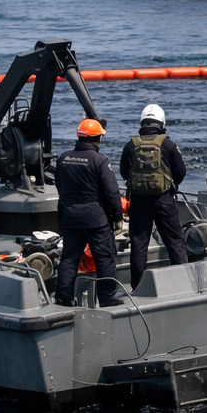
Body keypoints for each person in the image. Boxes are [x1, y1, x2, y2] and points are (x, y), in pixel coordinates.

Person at [54, 118, 124, 308]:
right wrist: (117, 218)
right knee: (105, 257)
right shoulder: (100, 161)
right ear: (97, 139)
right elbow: (112, 192)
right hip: (95, 219)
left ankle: (63, 297)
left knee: (69, 258)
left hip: (69, 216)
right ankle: (107, 297)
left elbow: (59, 185)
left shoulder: (63, 158)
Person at [119, 103, 188, 293]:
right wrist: (171, 185)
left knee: (139, 244)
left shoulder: (130, 144)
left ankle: (138, 287)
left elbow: (124, 172)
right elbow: (181, 171)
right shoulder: (167, 144)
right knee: (175, 241)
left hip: (139, 202)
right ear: (162, 122)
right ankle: (182, 282)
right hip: (164, 200)